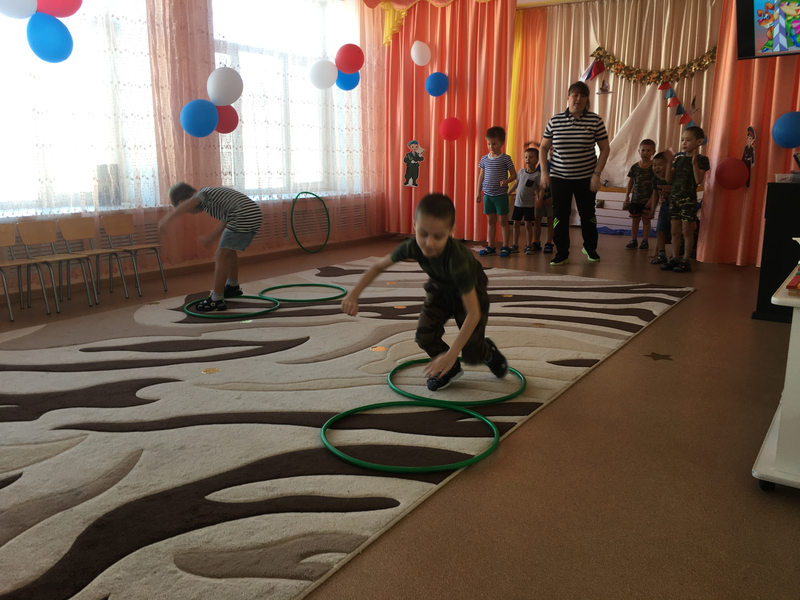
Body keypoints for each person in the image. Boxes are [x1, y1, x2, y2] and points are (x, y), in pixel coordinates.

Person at [341, 193, 508, 391]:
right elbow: (378, 266)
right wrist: (353, 294)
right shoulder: (412, 246)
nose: (429, 243)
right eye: (423, 234)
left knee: (472, 350)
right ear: (414, 226)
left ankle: (487, 351)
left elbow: (473, 314)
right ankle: (451, 369)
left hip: (470, 289)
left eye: (438, 236)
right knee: (424, 336)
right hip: (439, 287)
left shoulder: (458, 260)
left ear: (451, 231)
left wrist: (452, 353)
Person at [159, 183, 262, 311]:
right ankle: (232, 286)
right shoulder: (211, 199)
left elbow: (191, 202)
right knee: (229, 251)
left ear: (183, 203)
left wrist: (167, 219)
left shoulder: (202, 195)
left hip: (243, 215)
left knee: (220, 255)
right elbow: (226, 221)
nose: (192, 213)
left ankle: (216, 300)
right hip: (250, 214)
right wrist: (210, 238)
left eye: (188, 210)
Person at [539, 81, 610, 266]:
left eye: (583, 95)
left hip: (586, 178)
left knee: (588, 214)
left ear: (587, 99)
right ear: (568, 97)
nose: (578, 99)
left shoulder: (595, 120)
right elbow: (543, 147)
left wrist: (596, 174)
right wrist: (544, 172)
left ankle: (590, 248)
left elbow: (605, 148)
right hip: (559, 178)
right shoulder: (555, 120)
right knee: (560, 215)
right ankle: (562, 252)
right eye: (575, 95)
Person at [661, 126, 710, 273]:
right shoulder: (679, 160)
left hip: (688, 200)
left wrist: (694, 164)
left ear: (699, 141)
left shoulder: (702, 160)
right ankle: (675, 258)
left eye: (688, 140)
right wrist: (669, 162)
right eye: (683, 140)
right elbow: (668, 179)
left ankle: (686, 260)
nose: (684, 143)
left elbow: (699, 180)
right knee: (675, 231)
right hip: (674, 199)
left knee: (687, 231)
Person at [476, 126, 516, 257]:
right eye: (489, 144)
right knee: (491, 221)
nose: (491, 147)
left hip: (501, 196)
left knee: (503, 221)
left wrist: (506, 181)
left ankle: (505, 246)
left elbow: (514, 175)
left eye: (494, 144)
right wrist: (478, 192)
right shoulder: (484, 159)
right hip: (487, 195)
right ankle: (490, 246)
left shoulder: (506, 158)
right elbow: (481, 176)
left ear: (502, 143)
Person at [623, 139, 656, 251]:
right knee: (635, 221)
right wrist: (627, 195)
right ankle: (633, 240)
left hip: (647, 201)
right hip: (635, 199)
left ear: (653, 152)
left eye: (648, 150)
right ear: (639, 151)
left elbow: (656, 185)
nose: (645, 153)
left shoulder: (654, 167)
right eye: (643, 150)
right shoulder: (635, 167)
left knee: (646, 221)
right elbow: (631, 182)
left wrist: (652, 199)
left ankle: (645, 241)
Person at [507, 147, 538, 255]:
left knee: (528, 225)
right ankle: (515, 245)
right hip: (518, 204)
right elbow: (516, 183)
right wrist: (509, 192)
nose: (528, 159)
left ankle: (529, 245)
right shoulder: (520, 172)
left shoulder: (537, 175)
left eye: (531, 157)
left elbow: (539, 189)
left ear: (537, 159)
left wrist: (539, 199)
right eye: (526, 157)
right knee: (516, 224)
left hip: (529, 205)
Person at [647, 151, 672, 264]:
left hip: (675, 208)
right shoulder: (655, 179)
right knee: (660, 231)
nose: (656, 167)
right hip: (664, 207)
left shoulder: (673, 177)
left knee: (675, 232)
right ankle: (661, 254)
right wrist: (652, 210)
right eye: (654, 165)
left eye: (660, 164)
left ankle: (676, 255)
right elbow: (655, 194)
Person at [533, 167, 555, 254]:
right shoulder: (541, 165)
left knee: (550, 221)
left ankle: (549, 243)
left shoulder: (557, 164)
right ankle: (536, 241)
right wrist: (539, 198)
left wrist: (553, 198)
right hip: (541, 199)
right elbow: (537, 183)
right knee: (537, 220)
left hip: (551, 200)